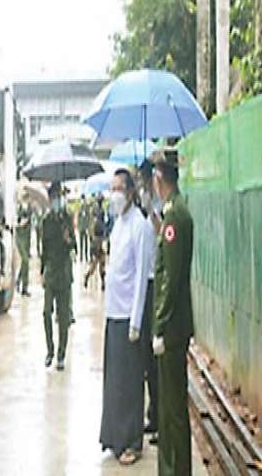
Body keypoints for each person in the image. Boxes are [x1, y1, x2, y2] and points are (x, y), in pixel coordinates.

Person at [99, 169, 156, 466]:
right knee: (115, 381)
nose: (115, 194)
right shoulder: (118, 225)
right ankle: (114, 437)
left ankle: (132, 441)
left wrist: (136, 321)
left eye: (119, 188)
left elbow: (142, 277)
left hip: (129, 318)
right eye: (112, 188)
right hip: (113, 313)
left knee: (131, 381)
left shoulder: (140, 227)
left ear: (131, 192)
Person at [152, 160, 194, 476]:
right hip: (174, 325)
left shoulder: (175, 215)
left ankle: (176, 469)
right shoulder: (171, 213)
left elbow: (171, 278)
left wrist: (160, 324)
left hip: (173, 327)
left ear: (159, 178)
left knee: (173, 409)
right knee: (168, 407)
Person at [40, 181, 75, 371]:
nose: (56, 200)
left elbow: (74, 245)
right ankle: (50, 350)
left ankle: (61, 355)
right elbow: (43, 248)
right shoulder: (46, 221)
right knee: (46, 312)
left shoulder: (67, 217)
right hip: (51, 272)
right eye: (54, 197)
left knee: (63, 318)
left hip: (64, 273)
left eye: (58, 196)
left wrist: (68, 239)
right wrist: (42, 271)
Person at [138, 161, 161, 441]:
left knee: (155, 361)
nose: (143, 188)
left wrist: (156, 221)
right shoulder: (147, 212)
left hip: (156, 286)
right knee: (148, 359)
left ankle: (159, 417)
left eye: (145, 181)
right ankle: (153, 414)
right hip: (147, 285)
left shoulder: (163, 212)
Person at [84, 194, 107, 290]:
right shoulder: (95, 212)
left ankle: (102, 282)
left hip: (99, 239)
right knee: (96, 263)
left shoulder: (100, 212)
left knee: (101, 262)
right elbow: (92, 227)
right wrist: (94, 239)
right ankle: (87, 276)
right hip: (96, 240)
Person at [16, 200, 33, 296]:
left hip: (27, 239)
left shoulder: (30, 208)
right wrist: (21, 222)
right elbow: (16, 223)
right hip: (20, 238)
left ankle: (20, 283)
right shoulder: (17, 208)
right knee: (25, 261)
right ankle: (23, 287)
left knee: (25, 263)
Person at [77, 194, 90, 262]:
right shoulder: (80, 208)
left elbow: (88, 218)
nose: (82, 200)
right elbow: (78, 218)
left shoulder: (87, 207)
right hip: (81, 228)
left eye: (83, 199)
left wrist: (88, 227)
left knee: (86, 243)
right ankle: (81, 257)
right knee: (81, 243)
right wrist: (78, 227)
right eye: (82, 199)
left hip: (85, 228)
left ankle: (86, 256)